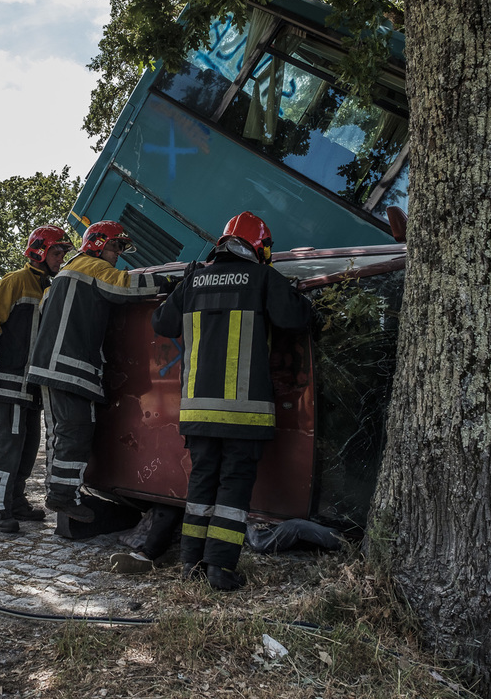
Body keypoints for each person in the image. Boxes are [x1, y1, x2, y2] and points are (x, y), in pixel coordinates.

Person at [150, 211, 313, 591]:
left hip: (197, 411)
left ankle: (191, 564)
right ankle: (220, 568)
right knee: (233, 489)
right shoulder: (262, 277)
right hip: (245, 412)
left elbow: (162, 323)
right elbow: (296, 318)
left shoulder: (194, 279)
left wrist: (182, 285)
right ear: (259, 246)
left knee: (201, 485)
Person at [27, 220, 175, 523]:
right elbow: (125, 285)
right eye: (115, 246)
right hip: (69, 368)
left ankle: (61, 492)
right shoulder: (90, 267)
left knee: (64, 432)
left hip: (55, 366)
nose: (119, 253)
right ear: (97, 244)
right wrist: (171, 282)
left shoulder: (70, 271)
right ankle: (62, 496)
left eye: (121, 247)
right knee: (74, 429)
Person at [0, 225, 74, 533]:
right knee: (7, 448)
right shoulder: (14, 282)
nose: (61, 259)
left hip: (32, 389)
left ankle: (15, 501)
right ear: (40, 252)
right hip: (8, 384)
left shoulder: (51, 286)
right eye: (57, 253)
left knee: (28, 450)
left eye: (62, 254)